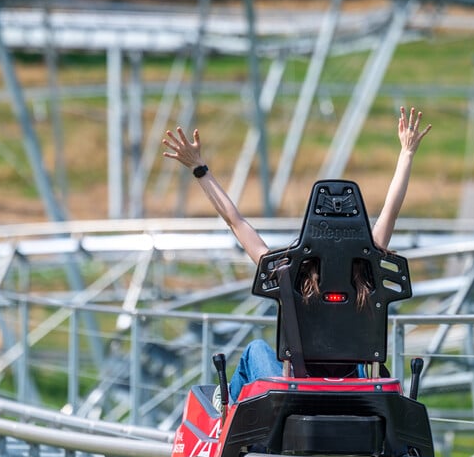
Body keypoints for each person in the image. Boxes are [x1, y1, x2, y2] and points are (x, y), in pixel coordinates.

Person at [162, 106, 432, 403]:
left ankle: (225, 408)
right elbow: (391, 211)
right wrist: (406, 154)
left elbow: (235, 222)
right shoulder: (369, 271)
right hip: (352, 386)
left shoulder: (289, 272)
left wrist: (199, 169)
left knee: (255, 351)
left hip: (297, 388)